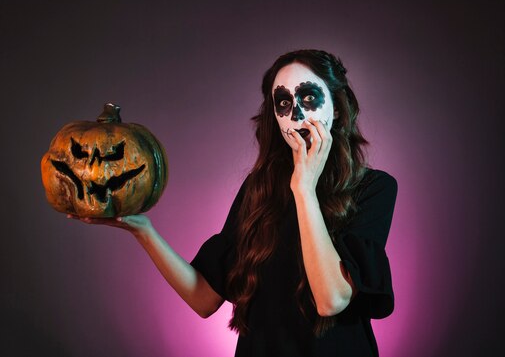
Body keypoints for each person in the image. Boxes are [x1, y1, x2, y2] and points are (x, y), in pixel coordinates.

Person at [69, 49, 398, 357]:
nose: (295, 113)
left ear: (337, 108)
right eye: (283, 103)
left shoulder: (373, 188)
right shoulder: (260, 190)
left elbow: (331, 300)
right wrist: (142, 230)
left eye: (309, 97)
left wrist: (304, 189)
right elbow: (204, 299)